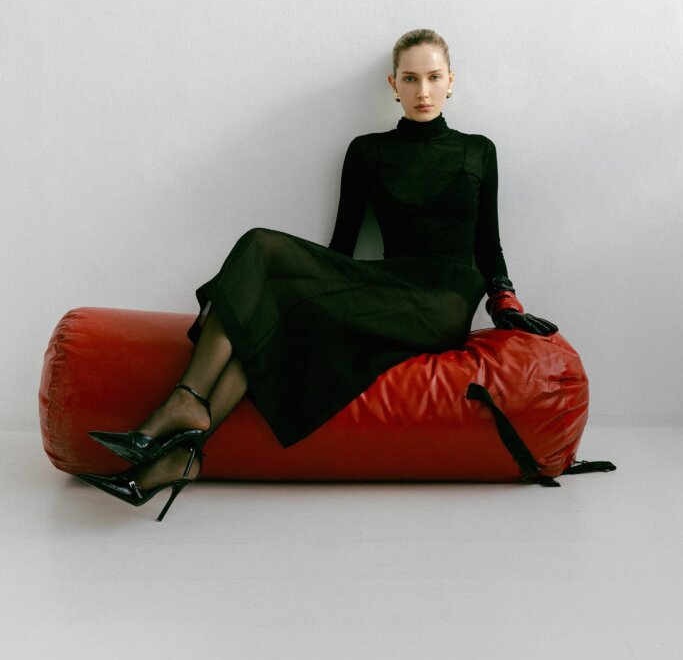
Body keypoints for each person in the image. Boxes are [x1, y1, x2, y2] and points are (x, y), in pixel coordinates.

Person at [78, 28, 557, 519]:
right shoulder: (367, 151)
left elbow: (488, 245)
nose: (423, 91)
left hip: (441, 301)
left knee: (264, 255)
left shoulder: (479, 150)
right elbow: (341, 247)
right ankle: (182, 455)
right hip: (386, 285)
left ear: (451, 81)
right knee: (269, 292)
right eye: (411, 79)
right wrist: (303, 290)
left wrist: (505, 302)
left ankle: (185, 403)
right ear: (393, 84)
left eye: (434, 77)